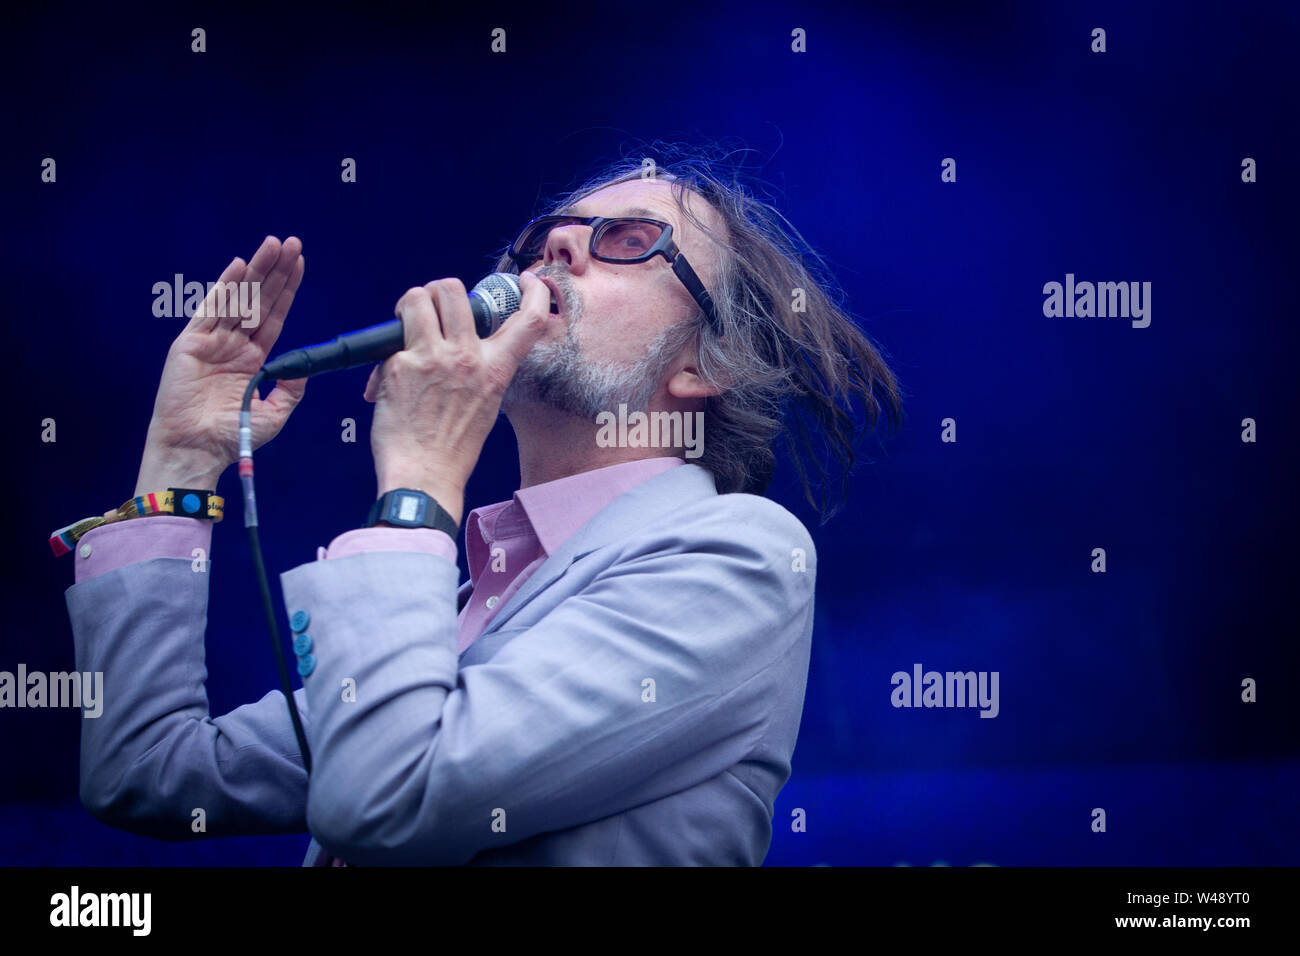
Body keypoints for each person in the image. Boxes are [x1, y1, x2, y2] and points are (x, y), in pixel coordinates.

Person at [60, 154, 903, 865]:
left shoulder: (738, 553)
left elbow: (389, 801)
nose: (556, 246)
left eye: (631, 241)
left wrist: (420, 475)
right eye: (541, 240)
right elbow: (149, 771)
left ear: (702, 365)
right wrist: (181, 455)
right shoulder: (464, 609)